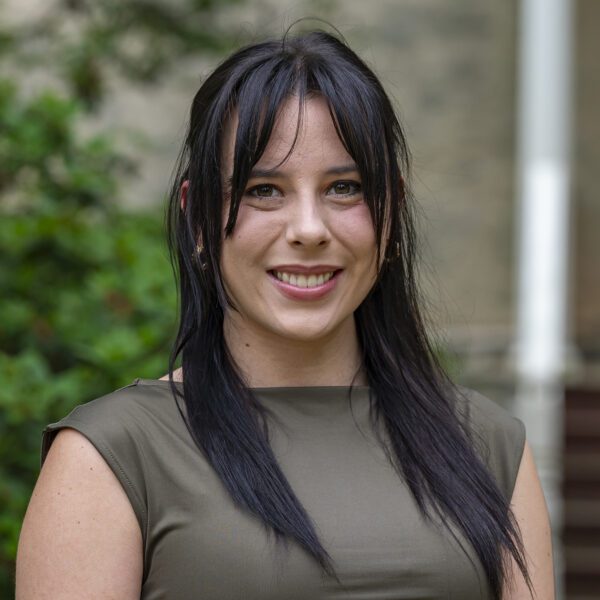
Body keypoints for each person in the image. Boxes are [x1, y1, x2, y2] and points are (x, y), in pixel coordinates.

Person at [16, 29, 554, 599]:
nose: (307, 229)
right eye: (263, 190)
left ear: (390, 212)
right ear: (198, 219)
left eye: (344, 188)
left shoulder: (487, 446)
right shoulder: (113, 454)